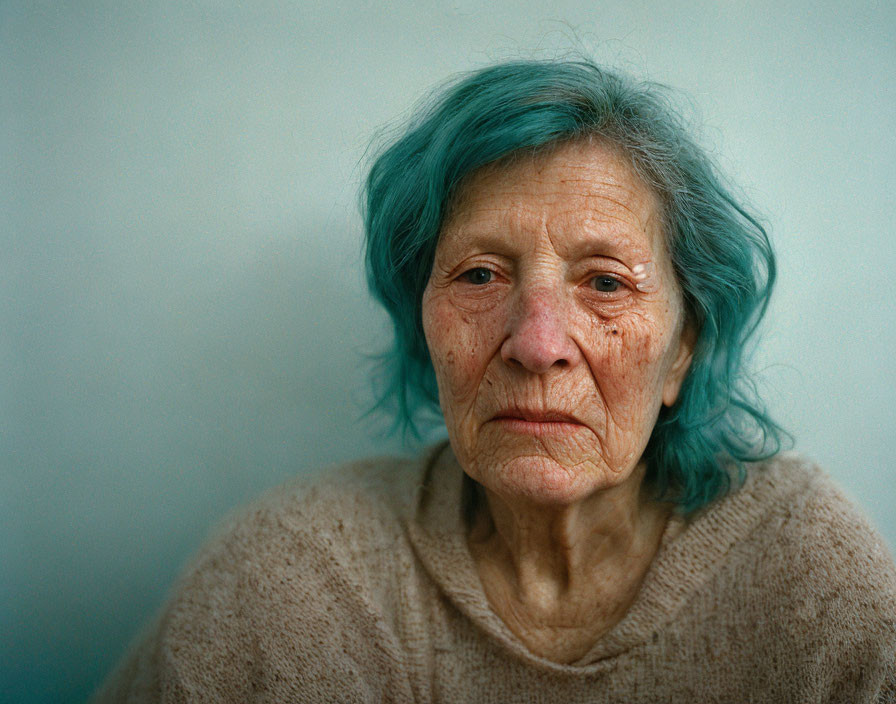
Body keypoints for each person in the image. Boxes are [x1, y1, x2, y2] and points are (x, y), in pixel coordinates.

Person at [92, 59, 896, 703]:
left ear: (682, 349)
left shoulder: (806, 572)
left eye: (606, 283)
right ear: (424, 327)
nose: (538, 343)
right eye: (479, 275)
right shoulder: (294, 577)